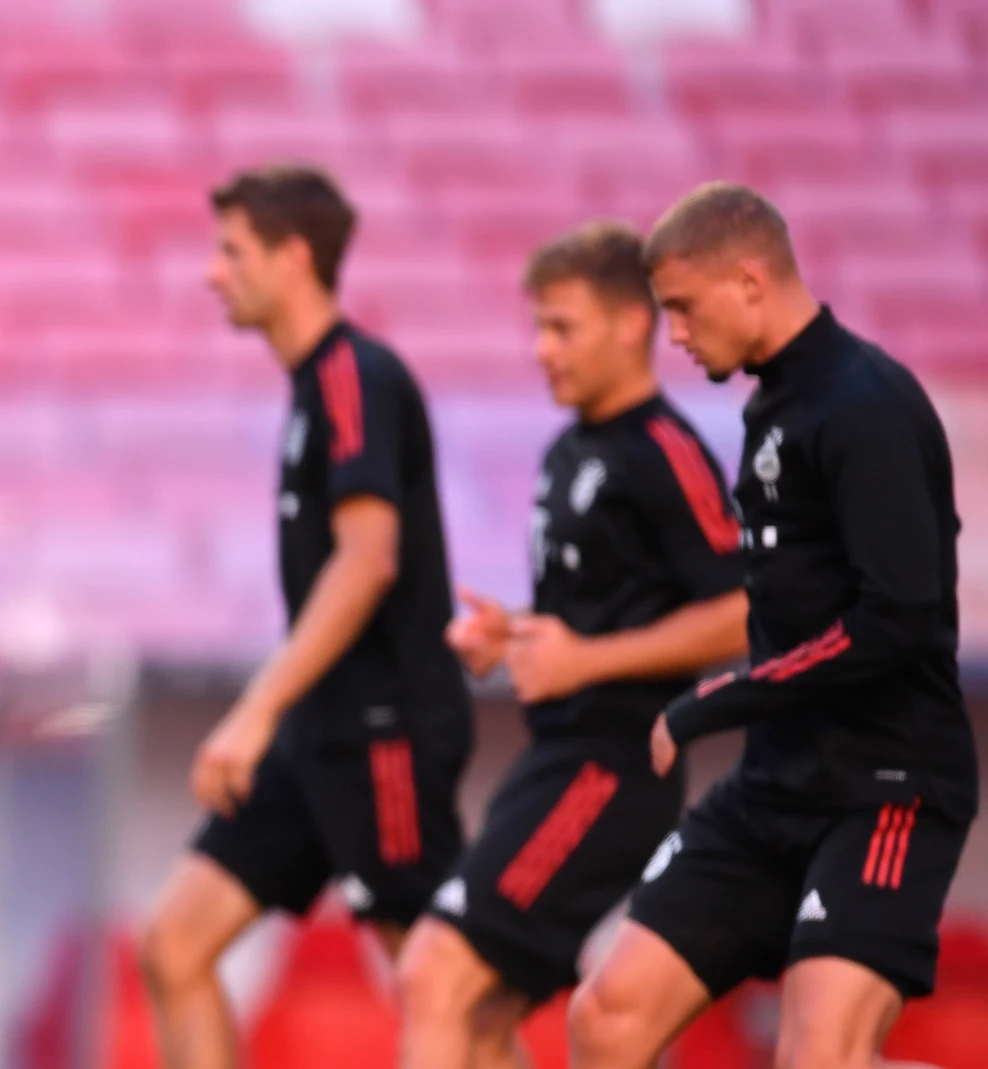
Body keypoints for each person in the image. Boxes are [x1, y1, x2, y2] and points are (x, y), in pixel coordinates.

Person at [569, 182, 977, 1069]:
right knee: (605, 1018)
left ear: (750, 282)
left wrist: (717, 697)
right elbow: (785, 600)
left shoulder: (864, 405)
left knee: (817, 1061)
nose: (672, 334)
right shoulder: (771, 406)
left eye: (682, 307)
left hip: (886, 786)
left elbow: (896, 620)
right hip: (774, 788)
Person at [139, 165, 474, 1069]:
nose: (214, 273)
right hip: (318, 734)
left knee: (442, 993)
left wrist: (254, 711)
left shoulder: (355, 376)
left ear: (293, 259)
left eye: (231, 251)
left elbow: (369, 560)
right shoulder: (312, 388)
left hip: (385, 735)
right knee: (175, 945)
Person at [393, 222, 748, 1069]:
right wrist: (507, 633)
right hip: (561, 759)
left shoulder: (666, 452)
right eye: (538, 327)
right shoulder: (569, 450)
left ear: (633, 324)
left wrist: (585, 661)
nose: (542, 349)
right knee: (473, 1017)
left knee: (433, 972)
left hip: (612, 766)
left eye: (562, 326)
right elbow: (587, 617)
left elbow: (742, 611)